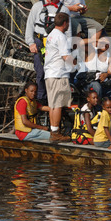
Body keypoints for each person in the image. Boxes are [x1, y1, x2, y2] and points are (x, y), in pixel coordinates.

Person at [25, 0, 71, 103]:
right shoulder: (37, 6)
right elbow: (29, 25)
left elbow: (68, 32)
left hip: (56, 44)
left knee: (55, 72)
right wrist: (30, 43)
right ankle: (41, 99)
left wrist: (67, 49)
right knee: (40, 72)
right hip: (39, 42)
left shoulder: (64, 9)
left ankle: (55, 99)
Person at [44, 12, 74, 142]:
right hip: (58, 75)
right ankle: (56, 133)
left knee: (53, 105)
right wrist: (77, 64)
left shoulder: (51, 35)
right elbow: (66, 57)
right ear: (65, 23)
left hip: (50, 74)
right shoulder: (61, 36)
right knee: (58, 105)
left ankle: (53, 131)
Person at [75, 37, 111, 116]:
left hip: (102, 83)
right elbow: (79, 43)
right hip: (86, 82)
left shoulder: (110, 57)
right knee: (96, 85)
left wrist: (106, 74)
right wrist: (96, 40)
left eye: (106, 44)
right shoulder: (92, 51)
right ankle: (98, 112)